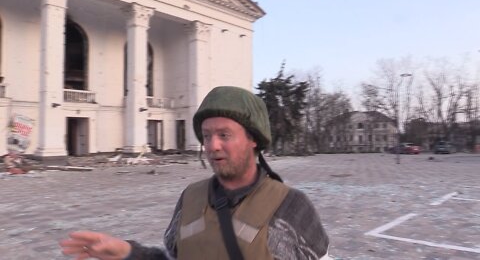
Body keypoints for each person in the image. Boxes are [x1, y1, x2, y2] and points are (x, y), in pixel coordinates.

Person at [60, 86, 331, 260]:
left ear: (254, 140)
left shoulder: (291, 206)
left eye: (225, 135)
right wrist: (128, 252)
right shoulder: (191, 198)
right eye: (207, 135)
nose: (212, 145)